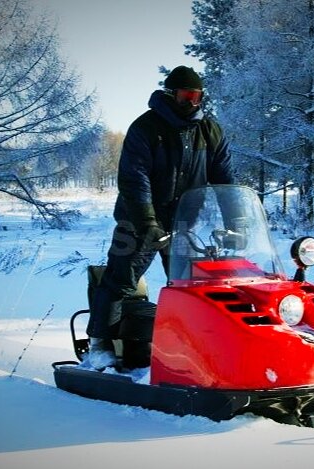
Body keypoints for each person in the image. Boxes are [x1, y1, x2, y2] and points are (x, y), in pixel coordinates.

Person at [85, 65, 234, 371]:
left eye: (197, 97)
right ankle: (100, 346)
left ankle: (187, 346)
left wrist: (237, 221)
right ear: (171, 95)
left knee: (187, 285)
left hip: (183, 221)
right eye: (186, 96)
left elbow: (225, 179)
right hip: (138, 220)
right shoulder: (146, 128)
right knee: (121, 280)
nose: (192, 103)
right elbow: (133, 179)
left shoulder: (210, 130)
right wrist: (147, 223)